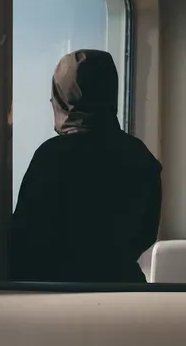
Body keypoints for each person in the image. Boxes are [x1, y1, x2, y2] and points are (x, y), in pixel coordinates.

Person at [9, 49, 161, 283]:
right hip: (123, 287)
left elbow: (26, 238)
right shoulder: (140, 155)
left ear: (61, 98)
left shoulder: (51, 157)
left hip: (58, 290)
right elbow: (145, 234)